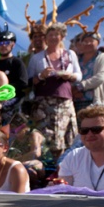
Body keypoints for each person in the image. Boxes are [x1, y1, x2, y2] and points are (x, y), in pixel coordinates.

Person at [28, 22, 82, 159]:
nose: (53, 37)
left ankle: (64, 167)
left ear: (62, 37)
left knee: (65, 137)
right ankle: (46, 168)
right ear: (46, 37)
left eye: (56, 34)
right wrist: (41, 76)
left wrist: (70, 76)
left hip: (65, 101)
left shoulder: (70, 54)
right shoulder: (37, 58)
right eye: (50, 34)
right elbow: (30, 80)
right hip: (43, 103)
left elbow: (79, 76)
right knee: (46, 136)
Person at [72, 30, 104, 111]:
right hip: (74, 102)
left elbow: (100, 77)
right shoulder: (76, 59)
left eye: (91, 41)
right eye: (85, 41)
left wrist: (80, 87)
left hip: (93, 102)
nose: (88, 43)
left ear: (98, 42)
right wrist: (72, 90)